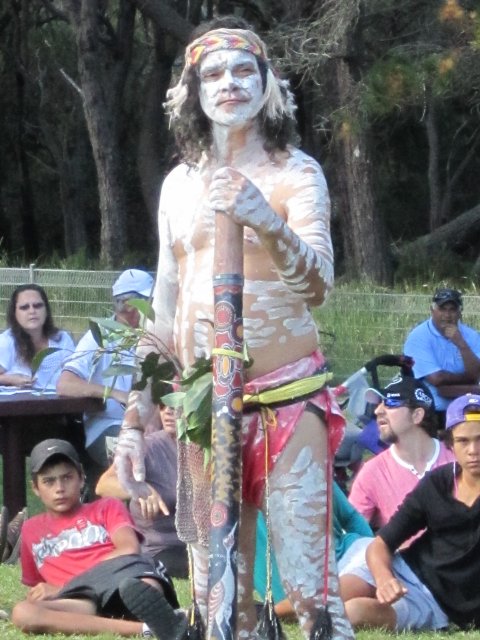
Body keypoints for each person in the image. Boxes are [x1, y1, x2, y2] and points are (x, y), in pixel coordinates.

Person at [114, 15, 353, 640]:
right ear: (191, 90)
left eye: (244, 69)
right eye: (212, 73)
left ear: (268, 83)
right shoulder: (175, 186)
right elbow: (164, 309)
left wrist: (264, 221)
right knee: (221, 598)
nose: (229, 83)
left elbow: (319, 286)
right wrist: (134, 419)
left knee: (311, 593)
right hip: (199, 408)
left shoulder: (295, 172)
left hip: (285, 399)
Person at [11, 438, 180, 637]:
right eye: (49, 481)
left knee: (144, 588)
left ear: (82, 478)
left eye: (67, 477)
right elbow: (37, 587)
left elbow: (128, 549)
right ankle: (147, 629)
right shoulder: (30, 529)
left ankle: (152, 618)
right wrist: (47, 595)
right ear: (36, 488)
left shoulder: (107, 506)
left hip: (121, 583)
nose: (59, 488)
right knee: (23, 612)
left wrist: (63, 586)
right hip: (80, 600)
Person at [341, 393, 480, 632]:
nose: (473, 450)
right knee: (324, 597)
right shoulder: (438, 482)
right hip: (402, 567)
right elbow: (381, 544)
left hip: (434, 602)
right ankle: (263, 613)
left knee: (352, 612)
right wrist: (384, 578)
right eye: (463, 441)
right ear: (450, 444)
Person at [56, 269, 154, 493]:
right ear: (127, 303)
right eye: (145, 301)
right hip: (108, 426)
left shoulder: (154, 334)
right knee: (137, 459)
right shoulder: (99, 335)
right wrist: (114, 393)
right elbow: (65, 383)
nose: (151, 306)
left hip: (150, 426)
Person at [348, 375, 454, 533]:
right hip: (404, 557)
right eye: (379, 403)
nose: (377, 410)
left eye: (390, 403)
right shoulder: (372, 473)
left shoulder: (460, 459)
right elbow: (352, 537)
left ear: (417, 415)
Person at [254, 482, 373, 619]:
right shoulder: (231, 491)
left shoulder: (308, 465)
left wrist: (376, 557)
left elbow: (350, 517)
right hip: (299, 594)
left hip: (348, 560)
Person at [96, 404, 188, 579]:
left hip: (197, 543)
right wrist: (139, 489)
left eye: (176, 405)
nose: (168, 411)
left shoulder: (208, 448)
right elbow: (103, 485)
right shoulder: (148, 446)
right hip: (160, 547)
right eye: (162, 406)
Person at [403, 287, 480, 421]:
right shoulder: (418, 337)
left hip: (468, 410)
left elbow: (476, 374)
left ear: (460, 312)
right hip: (431, 411)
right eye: (442, 309)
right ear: (432, 311)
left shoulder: (471, 336)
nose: (447, 315)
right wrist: (470, 383)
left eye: (452, 309)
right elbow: (437, 379)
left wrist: (461, 344)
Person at [0, 284, 74, 390]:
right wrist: (11, 379)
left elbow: (75, 376)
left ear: (46, 310)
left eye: (38, 305)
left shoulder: (62, 338)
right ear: (14, 313)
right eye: (24, 307)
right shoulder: (6, 341)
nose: (32, 311)